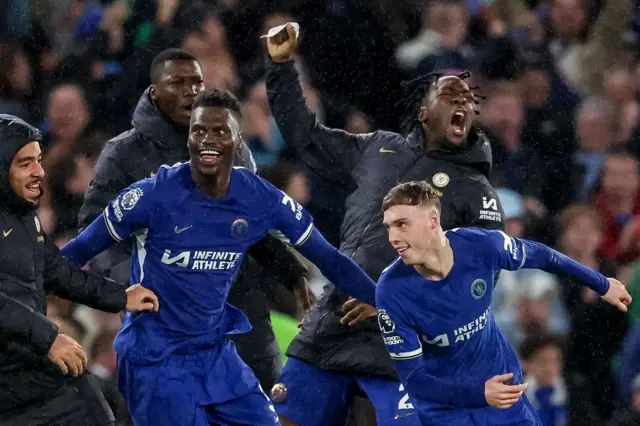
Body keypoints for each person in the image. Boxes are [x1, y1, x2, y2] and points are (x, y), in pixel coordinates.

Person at [60, 88, 377, 426]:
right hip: (156, 360)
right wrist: (108, 297)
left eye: (220, 131)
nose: (207, 139)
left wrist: (384, 302)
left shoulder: (258, 197)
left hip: (216, 355)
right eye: (199, 131)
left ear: (238, 140)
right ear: (189, 138)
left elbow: (329, 258)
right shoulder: (150, 196)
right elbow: (72, 255)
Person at [265, 23, 505, 425]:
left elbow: (476, 283)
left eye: (469, 99)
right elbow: (304, 136)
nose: (463, 103)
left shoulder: (476, 192)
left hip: (410, 344)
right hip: (335, 325)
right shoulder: (377, 148)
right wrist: (282, 65)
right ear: (423, 110)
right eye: (450, 94)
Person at [78, 48, 311, 391]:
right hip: (166, 314)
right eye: (178, 82)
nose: (191, 90)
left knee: (263, 406)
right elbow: (94, 230)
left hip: (239, 307)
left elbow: (250, 223)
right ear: (155, 93)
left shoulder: (236, 148)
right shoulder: (124, 153)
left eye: (197, 82)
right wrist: (130, 281)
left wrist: (289, 270)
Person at [375, 180, 631, 425]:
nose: (392, 238)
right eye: (388, 227)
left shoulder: (481, 245)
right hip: (447, 409)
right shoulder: (391, 290)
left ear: (433, 220)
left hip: (504, 393)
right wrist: (479, 393)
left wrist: (602, 283)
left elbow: (542, 255)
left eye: (401, 224)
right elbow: (414, 380)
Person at [0, 114, 159, 425]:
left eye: (39, 160)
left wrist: (120, 297)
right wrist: (48, 338)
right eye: (25, 164)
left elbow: (57, 272)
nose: (39, 172)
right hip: (13, 372)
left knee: (91, 405)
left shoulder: (23, 216)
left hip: (27, 366)